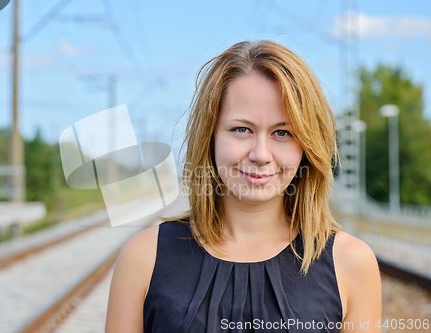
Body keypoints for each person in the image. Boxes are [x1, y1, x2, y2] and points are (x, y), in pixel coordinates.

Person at [105, 40, 381, 333]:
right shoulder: (143, 257)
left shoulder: (351, 263)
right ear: (210, 136)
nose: (261, 154)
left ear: (307, 146)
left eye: (283, 132)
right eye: (241, 129)